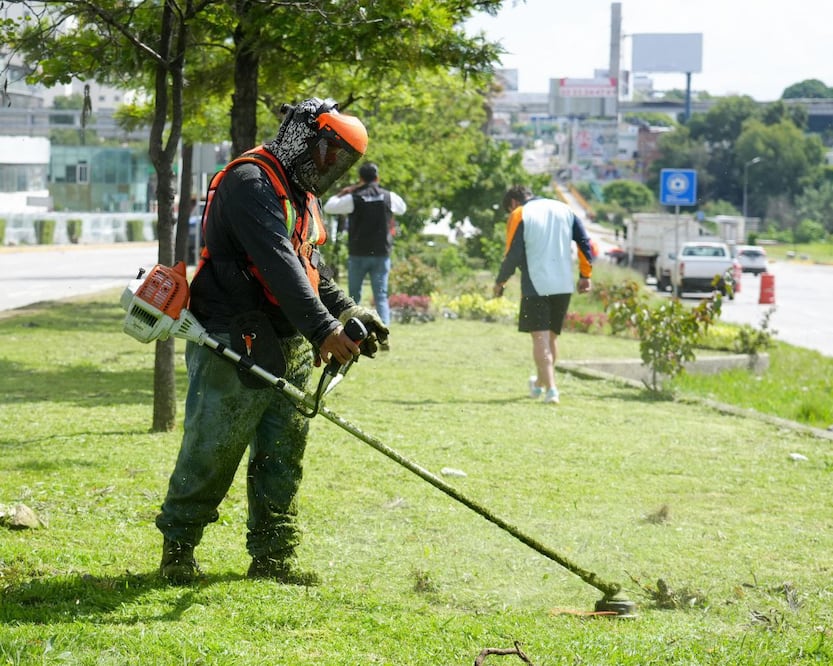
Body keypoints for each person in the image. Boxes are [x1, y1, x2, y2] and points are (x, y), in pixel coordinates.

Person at [155, 97, 389, 585]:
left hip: (289, 339)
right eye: (328, 152)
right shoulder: (250, 182)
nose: (329, 166)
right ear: (303, 136)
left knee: (283, 452)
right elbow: (278, 263)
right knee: (213, 447)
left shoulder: (300, 194)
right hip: (231, 334)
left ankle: (274, 558)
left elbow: (310, 266)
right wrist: (326, 329)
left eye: (340, 160)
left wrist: (348, 311)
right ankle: (178, 549)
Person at [493, 185, 594, 405]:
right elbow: (584, 241)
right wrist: (585, 275)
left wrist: (500, 281)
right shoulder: (565, 209)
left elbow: (513, 253)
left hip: (536, 284)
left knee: (540, 338)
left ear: (512, 203)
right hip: (563, 284)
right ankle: (539, 384)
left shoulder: (519, 214)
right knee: (550, 338)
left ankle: (552, 390)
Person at [322, 161, 406, 326]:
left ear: (360, 178)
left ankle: (357, 330)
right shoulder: (389, 197)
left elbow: (329, 207)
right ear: (377, 178)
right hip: (381, 254)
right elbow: (402, 208)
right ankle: (384, 331)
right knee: (381, 294)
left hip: (358, 253)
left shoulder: (354, 197)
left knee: (354, 296)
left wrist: (344, 192)